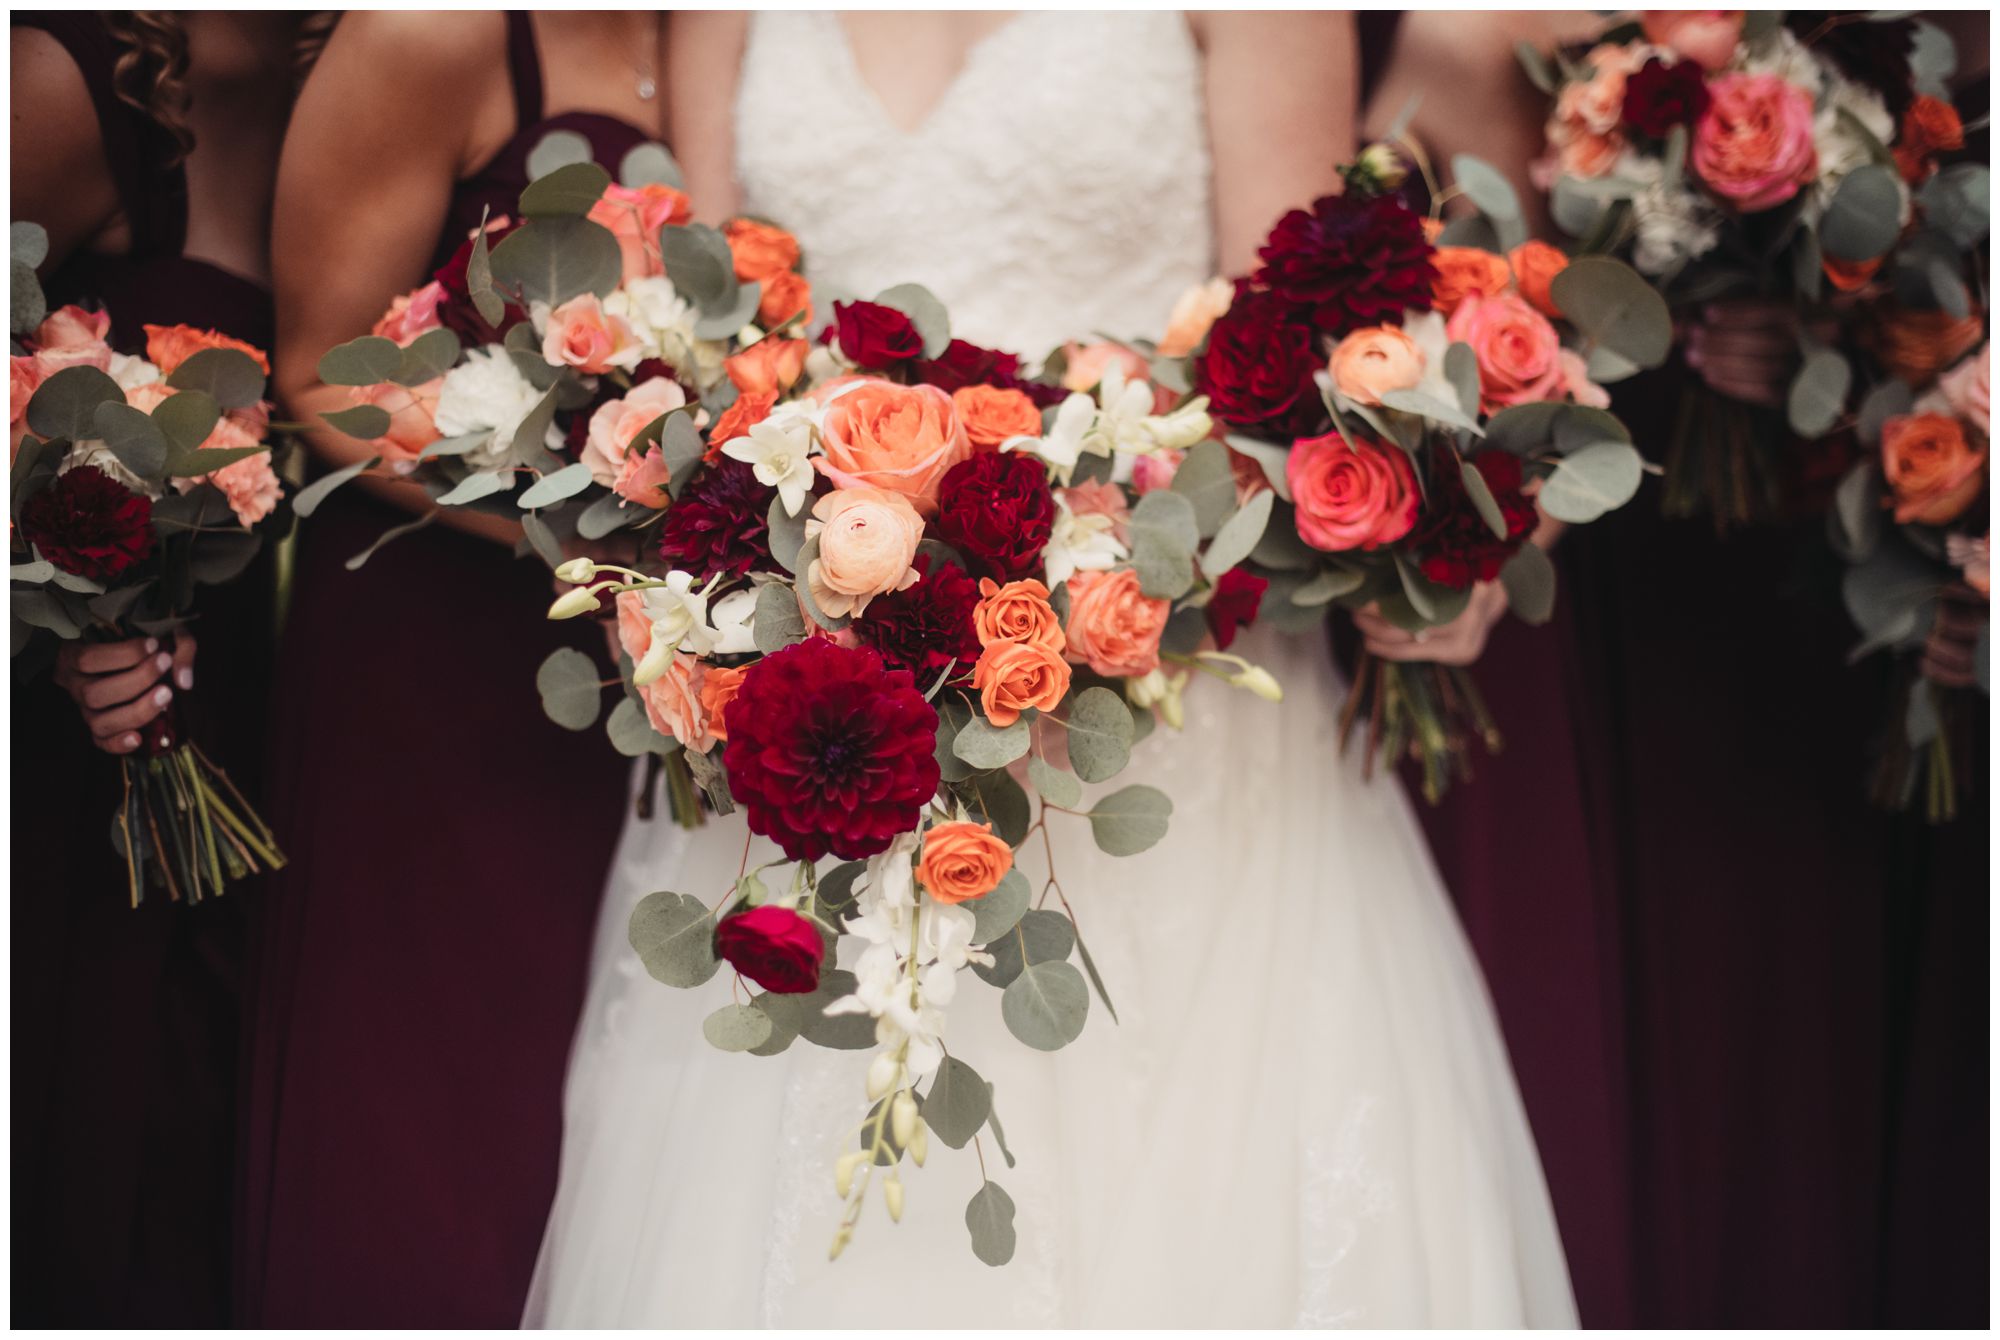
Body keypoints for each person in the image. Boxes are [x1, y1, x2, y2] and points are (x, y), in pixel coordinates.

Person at [527, 12, 1577, 1326]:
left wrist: (1066, 578)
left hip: (1164, 687)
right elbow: (727, 344)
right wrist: (803, 561)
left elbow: (1286, 368)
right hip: (836, 674)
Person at [237, 12, 659, 1324]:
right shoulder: (439, 31)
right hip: (445, 656)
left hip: (651, 681)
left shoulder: (736, 37)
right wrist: (580, 521)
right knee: (432, 1132)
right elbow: (319, 372)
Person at [10, 11, 302, 1325]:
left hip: (230, 693)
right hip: (52, 733)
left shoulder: (333, 77)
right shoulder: (68, 76)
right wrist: (58, 604)